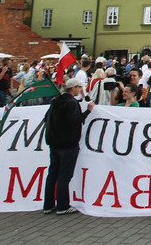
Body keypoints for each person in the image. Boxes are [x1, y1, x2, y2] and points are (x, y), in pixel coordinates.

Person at [42, 77, 93, 215]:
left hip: (54, 142)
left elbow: (46, 118)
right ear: (73, 88)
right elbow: (75, 121)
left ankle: (48, 204)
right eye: (78, 88)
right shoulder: (71, 103)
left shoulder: (55, 102)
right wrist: (88, 111)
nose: (80, 90)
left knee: (53, 174)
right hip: (68, 143)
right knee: (64, 175)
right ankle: (63, 205)